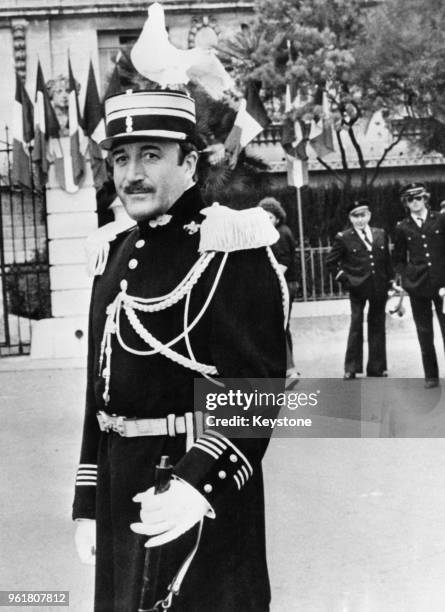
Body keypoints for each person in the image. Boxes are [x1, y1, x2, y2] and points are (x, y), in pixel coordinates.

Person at [72, 89, 287, 612]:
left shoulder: (230, 244)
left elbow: (256, 387)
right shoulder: (116, 252)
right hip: (121, 485)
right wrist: (88, 502)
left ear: (189, 160)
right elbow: (98, 391)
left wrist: (196, 484)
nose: (131, 175)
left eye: (150, 154)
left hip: (196, 490)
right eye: (121, 158)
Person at [327, 199, 393, 379]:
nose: (360, 220)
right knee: (356, 325)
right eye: (355, 216)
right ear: (350, 218)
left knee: (377, 325)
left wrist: (391, 281)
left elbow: (386, 260)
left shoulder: (380, 234)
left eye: (363, 215)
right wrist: (346, 280)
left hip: (379, 285)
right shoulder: (344, 237)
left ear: (369, 215)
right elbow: (331, 263)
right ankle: (351, 367)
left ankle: (377, 367)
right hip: (357, 288)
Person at [393, 182, 445, 388]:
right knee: (424, 332)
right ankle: (431, 375)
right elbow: (398, 259)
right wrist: (407, 279)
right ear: (405, 203)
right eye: (409, 199)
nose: (415, 203)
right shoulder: (402, 227)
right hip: (418, 286)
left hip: (443, 285)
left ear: (426, 198)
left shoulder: (441, 220)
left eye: (418, 198)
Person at [258, 197, 298, 378]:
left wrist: (265, 283)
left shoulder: (280, 233)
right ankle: (285, 366)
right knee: (281, 325)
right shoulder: (272, 233)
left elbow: (283, 263)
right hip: (282, 284)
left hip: (284, 285)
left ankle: (288, 368)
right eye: (263, 217)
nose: (267, 221)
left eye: (270, 218)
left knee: (278, 324)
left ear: (278, 219)